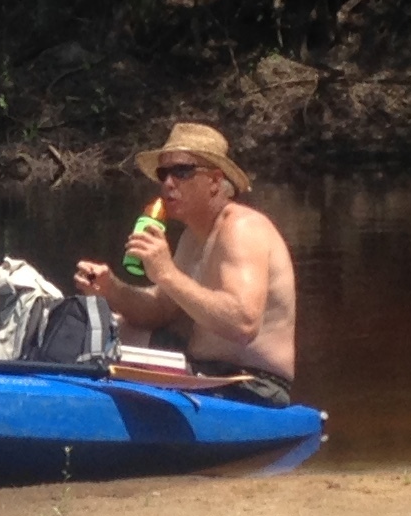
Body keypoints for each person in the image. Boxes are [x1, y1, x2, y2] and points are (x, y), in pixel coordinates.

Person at [70, 121, 299, 387]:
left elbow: (243, 323)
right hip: (203, 371)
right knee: (108, 328)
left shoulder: (242, 228)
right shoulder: (192, 237)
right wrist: (111, 289)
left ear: (214, 180)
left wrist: (166, 272)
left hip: (250, 383)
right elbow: (159, 311)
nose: (168, 183)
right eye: (163, 173)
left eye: (182, 171)